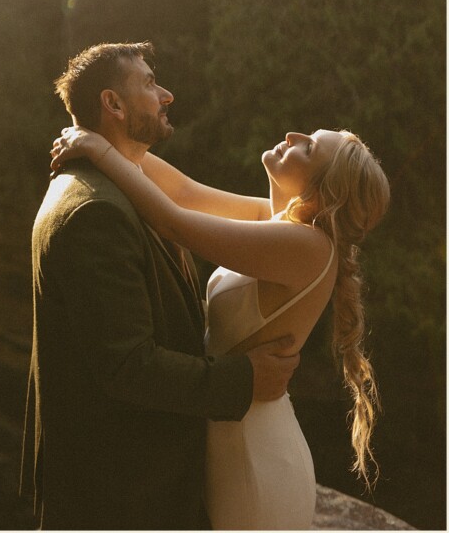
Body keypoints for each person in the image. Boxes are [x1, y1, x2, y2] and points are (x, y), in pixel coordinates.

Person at [50, 55, 390, 528]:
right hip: (224, 431)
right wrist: (101, 135)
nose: (292, 136)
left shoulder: (307, 246)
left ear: (320, 193)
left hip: (255, 453)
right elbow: (183, 193)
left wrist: (98, 150)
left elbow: (174, 221)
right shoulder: (277, 224)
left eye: (308, 147)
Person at [21, 42, 301, 530]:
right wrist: (244, 379)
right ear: (113, 104)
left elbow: (195, 203)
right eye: (150, 83)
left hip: (130, 483)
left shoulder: (121, 178)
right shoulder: (96, 213)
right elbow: (129, 366)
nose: (166, 95)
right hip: (121, 495)